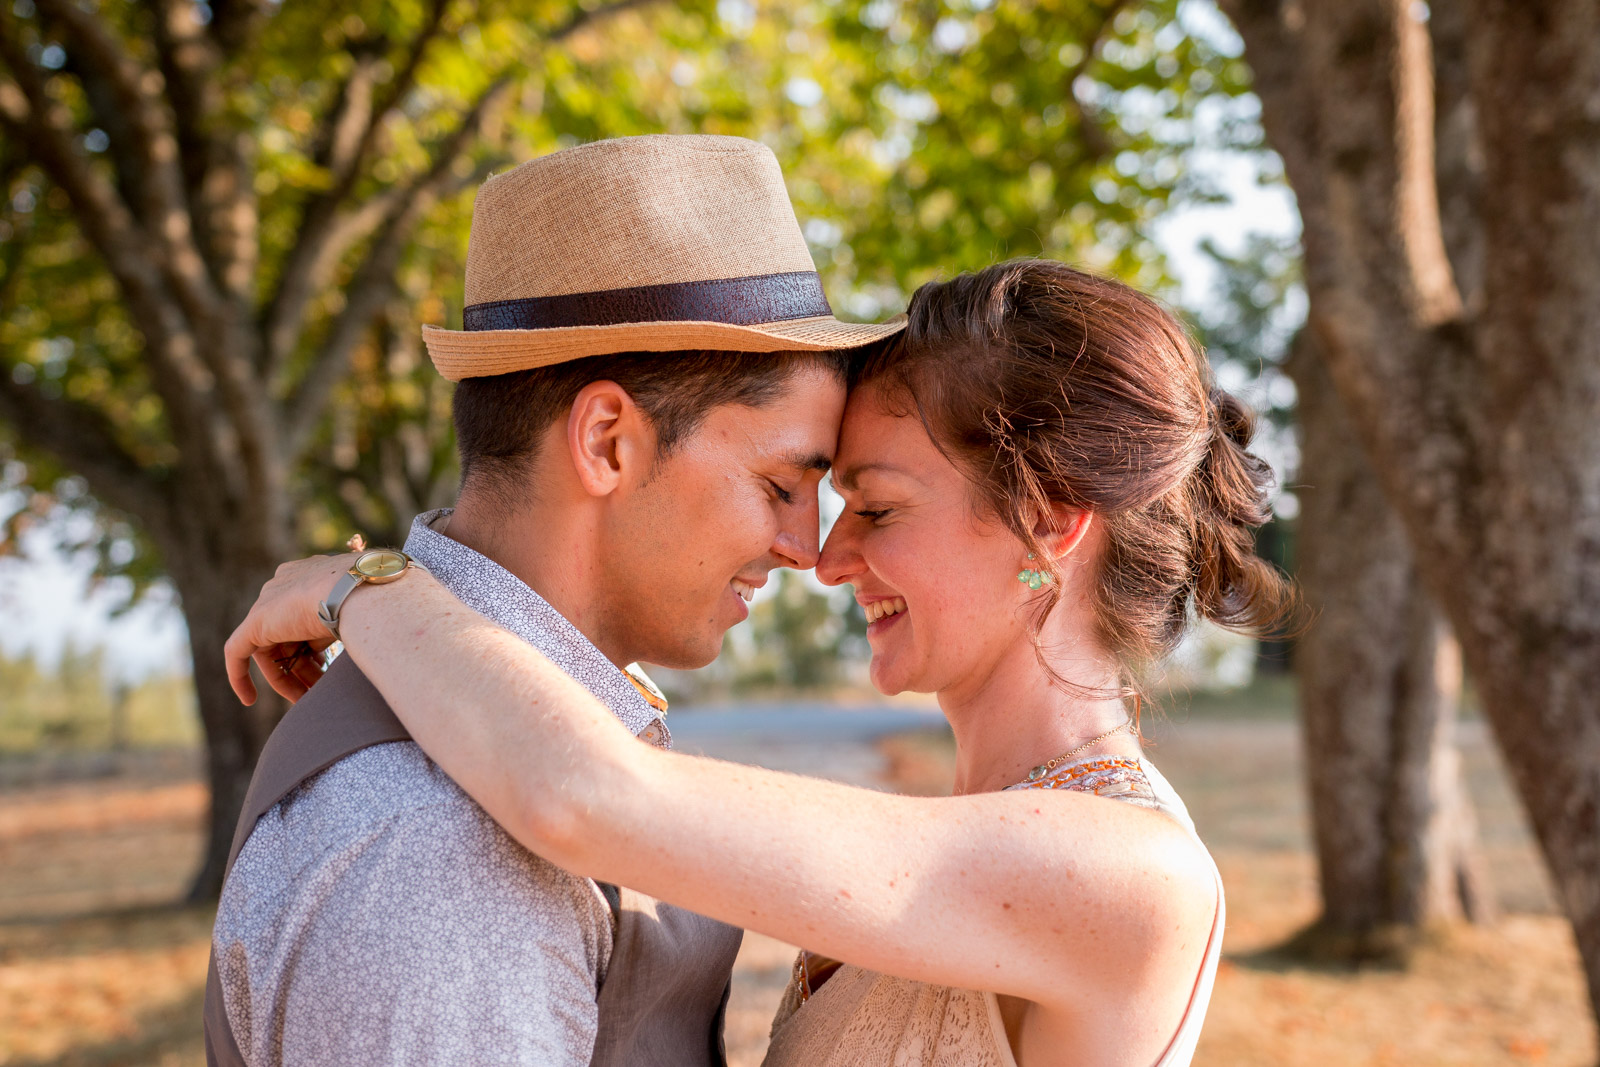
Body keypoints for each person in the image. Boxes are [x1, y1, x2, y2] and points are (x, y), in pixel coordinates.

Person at [227, 258, 1294, 1066]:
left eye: (872, 505)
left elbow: (588, 794)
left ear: (1050, 522)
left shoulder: (1126, 877)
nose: (824, 556)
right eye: (807, 493)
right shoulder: (974, 831)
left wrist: (367, 586)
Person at [202, 133, 904, 1067]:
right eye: (781, 484)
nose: (808, 549)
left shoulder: (497, 752)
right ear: (608, 440)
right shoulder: (441, 858)